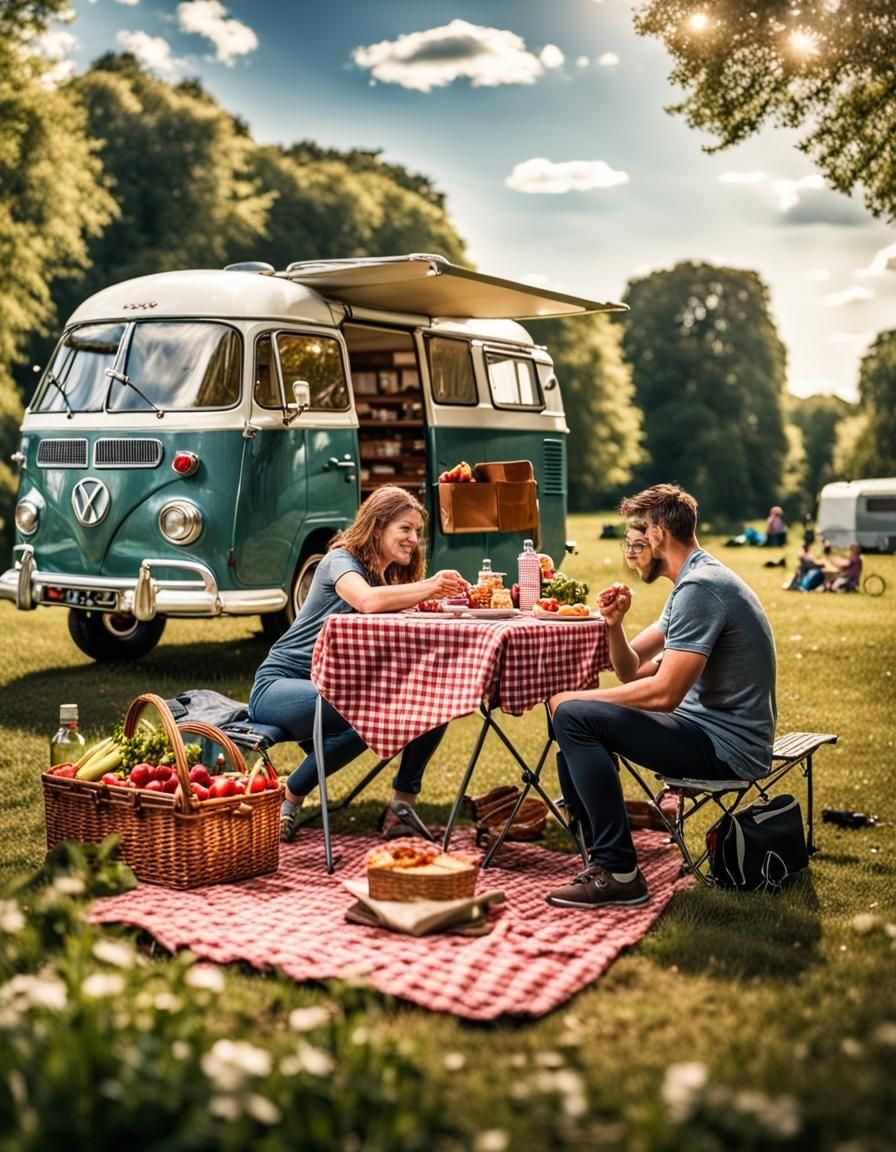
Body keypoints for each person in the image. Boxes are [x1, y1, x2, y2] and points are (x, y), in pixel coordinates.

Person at [546, 483, 777, 909]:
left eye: (638, 536)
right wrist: (614, 625)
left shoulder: (700, 589)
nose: (632, 549)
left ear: (658, 534)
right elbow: (633, 669)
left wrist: (577, 699)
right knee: (575, 716)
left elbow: (665, 693)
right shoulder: (693, 582)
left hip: (726, 745)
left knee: (574, 716)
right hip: (704, 729)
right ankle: (601, 850)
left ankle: (617, 870)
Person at [249, 486, 466, 843]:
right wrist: (429, 587)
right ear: (378, 527)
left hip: (336, 691)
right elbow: (365, 601)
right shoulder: (340, 561)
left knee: (435, 701)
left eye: (417, 532)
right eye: (405, 529)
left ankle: (402, 806)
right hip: (280, 687)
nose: (413, 539)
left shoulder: (389, 581)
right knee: (366, 713)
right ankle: (290, 793)